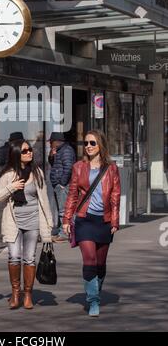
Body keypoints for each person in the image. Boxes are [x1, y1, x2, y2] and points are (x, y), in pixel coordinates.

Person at [63, 130, 121, 317]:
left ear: (100, 145)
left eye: (92, 143)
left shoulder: (111, 168)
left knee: (100, 264)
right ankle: (93, 300)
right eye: (86, 143)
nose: (88, 146)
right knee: (89, 260)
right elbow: (72, 194)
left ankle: (95, 288)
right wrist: (66, 219)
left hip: (103, 221)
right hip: (84, 220)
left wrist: (114, 220)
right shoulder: (78, 167)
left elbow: (115, 196)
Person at [0, 139, 53, 310]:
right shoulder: (8, 175)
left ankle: (28, 294)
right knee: (14, 256)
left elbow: (44, 201)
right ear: (16, 154)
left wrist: (49, 226)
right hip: (13, 222)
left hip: (33, 221)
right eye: (25, 151)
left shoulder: (37, 173)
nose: (29, 152)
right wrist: (11, 187)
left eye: (30, 150)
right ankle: (15, 293)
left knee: (29, 258)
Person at [48, 132, 76, 243]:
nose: (50, 144)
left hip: (63, 186)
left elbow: (68, 167)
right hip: (58, 185)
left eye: (51, 142)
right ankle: (62, 230)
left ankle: (64, 233)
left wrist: (62, 183)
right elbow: (53, 164)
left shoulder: (66, 150)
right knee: (61, 209)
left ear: (56, 141)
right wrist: (52, 155)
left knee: (63, 210)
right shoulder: (59, 151)